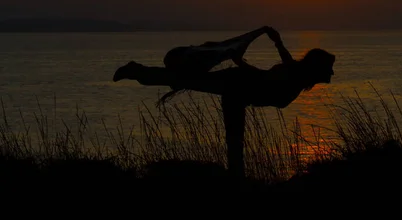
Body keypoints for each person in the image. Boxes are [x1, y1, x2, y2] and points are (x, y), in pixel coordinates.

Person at [112, 26, 335, 177]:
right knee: (186, 81)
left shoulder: (296, 75)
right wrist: (242, 63)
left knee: (233, 135)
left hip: (239, 93)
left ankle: (236, 176)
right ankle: (137, 71)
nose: (332, 74)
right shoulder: (294, 76)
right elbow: (265, 78)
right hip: (235, 86)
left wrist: (277, 42)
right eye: (329, 69)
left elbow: (284, 63)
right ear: (317, 67)